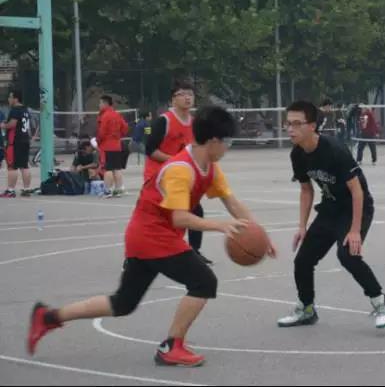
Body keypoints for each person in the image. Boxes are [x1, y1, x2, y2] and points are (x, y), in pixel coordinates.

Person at [27, 105, 277, 366]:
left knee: (123, 303)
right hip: (153, 237)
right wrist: (220, 226)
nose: (228, 148)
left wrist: (259, 233)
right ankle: (171, 346)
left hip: (147, 235)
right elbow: (180, 218)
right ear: (214, 141)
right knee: (204, 282)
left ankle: (49, 316)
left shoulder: (209, 167)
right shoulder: (181, 169)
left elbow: (232, 202)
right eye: (228, 142)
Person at [277, 100, 385, 329]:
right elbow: (306, 190)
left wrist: (355, 230)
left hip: (356, 207)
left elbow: (357, 191)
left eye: (297, 124)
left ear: (312, 126)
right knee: (303, 260)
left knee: (348, 255)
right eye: (288, 124)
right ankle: (306, 309)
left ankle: (381, 304)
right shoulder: (297, 154)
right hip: (330, 207)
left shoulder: (334, 149)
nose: (290, 129)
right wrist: (302, 226)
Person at [145, 78, 212, 263]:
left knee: (195, 210)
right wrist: (175, 161)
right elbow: (150, 150)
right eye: (182, 94)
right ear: (173, 99)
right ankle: (136, 256)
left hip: (180, 178)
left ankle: (194, 251)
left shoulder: (195, 123)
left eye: (190, 94)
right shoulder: (164, 121)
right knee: (156, 219)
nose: (187, 98)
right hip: (158, 177)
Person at [0, 89, 33, 198]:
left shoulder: (15, 110)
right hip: (25, 140)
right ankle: (27, 189)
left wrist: (3, 125)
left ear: (16, 99)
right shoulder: (25, 110)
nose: (8, 99)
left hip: (15, 142)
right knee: (24, 166)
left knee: (12, 166)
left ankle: (10, 190)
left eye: (10, 97)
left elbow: (13, 124)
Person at [96, 95, 129, 198]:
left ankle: (108, 190)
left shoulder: (105, 116)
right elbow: (125, 128)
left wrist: (98, 141)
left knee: (108, 169)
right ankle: (119, 189)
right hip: (117, 145)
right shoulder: (117, 114)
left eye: (100, 103)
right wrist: (118, 136)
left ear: (105, 103)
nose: (99, 105)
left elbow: (102, 132)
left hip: (107, 145)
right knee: (117, 168)